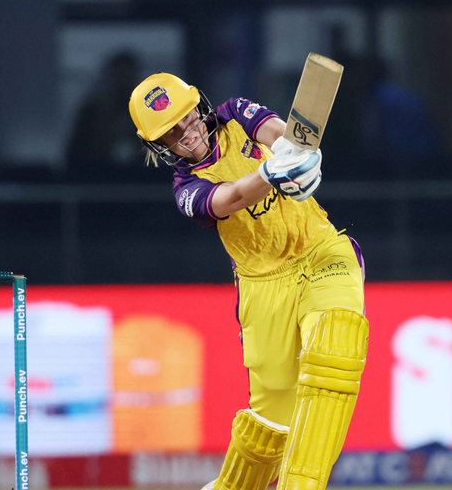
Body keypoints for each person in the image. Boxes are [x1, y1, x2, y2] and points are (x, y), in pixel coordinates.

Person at [127, 73, 368, 490]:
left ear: (199, 106)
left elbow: (276, 132)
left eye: (188, 118)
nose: (188, 132)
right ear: (158, 145)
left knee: (336, 342)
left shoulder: (234, 112)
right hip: (262, 287)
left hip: (322, 251)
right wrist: (273, 172)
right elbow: (235, 196)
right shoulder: (186, 189)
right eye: (173, 133)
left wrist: (297, 153)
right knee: (271, 425)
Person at [68, 51, 143, 170]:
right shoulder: (92, 112)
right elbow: (76, 153)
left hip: (138, 175)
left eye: (127, 77)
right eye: (120, 76)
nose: (123, 83)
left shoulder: (147, 114)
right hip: (99, 174)